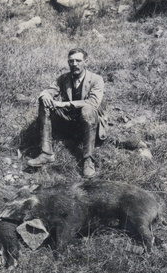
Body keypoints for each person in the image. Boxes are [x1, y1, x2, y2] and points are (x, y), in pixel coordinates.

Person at [27, 48, 107, 178]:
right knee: (44, 103)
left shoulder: (96, 79)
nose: (74, 64)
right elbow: (50, 90)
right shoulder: (64, 78)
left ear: (86, 62)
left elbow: (93, 102)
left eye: (78, 61)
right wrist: (46, 95)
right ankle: (47, 153)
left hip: (90, 124)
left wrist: (63, 104)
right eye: (71, 61)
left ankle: (88, 160)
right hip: (70, 123)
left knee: (87, 110)